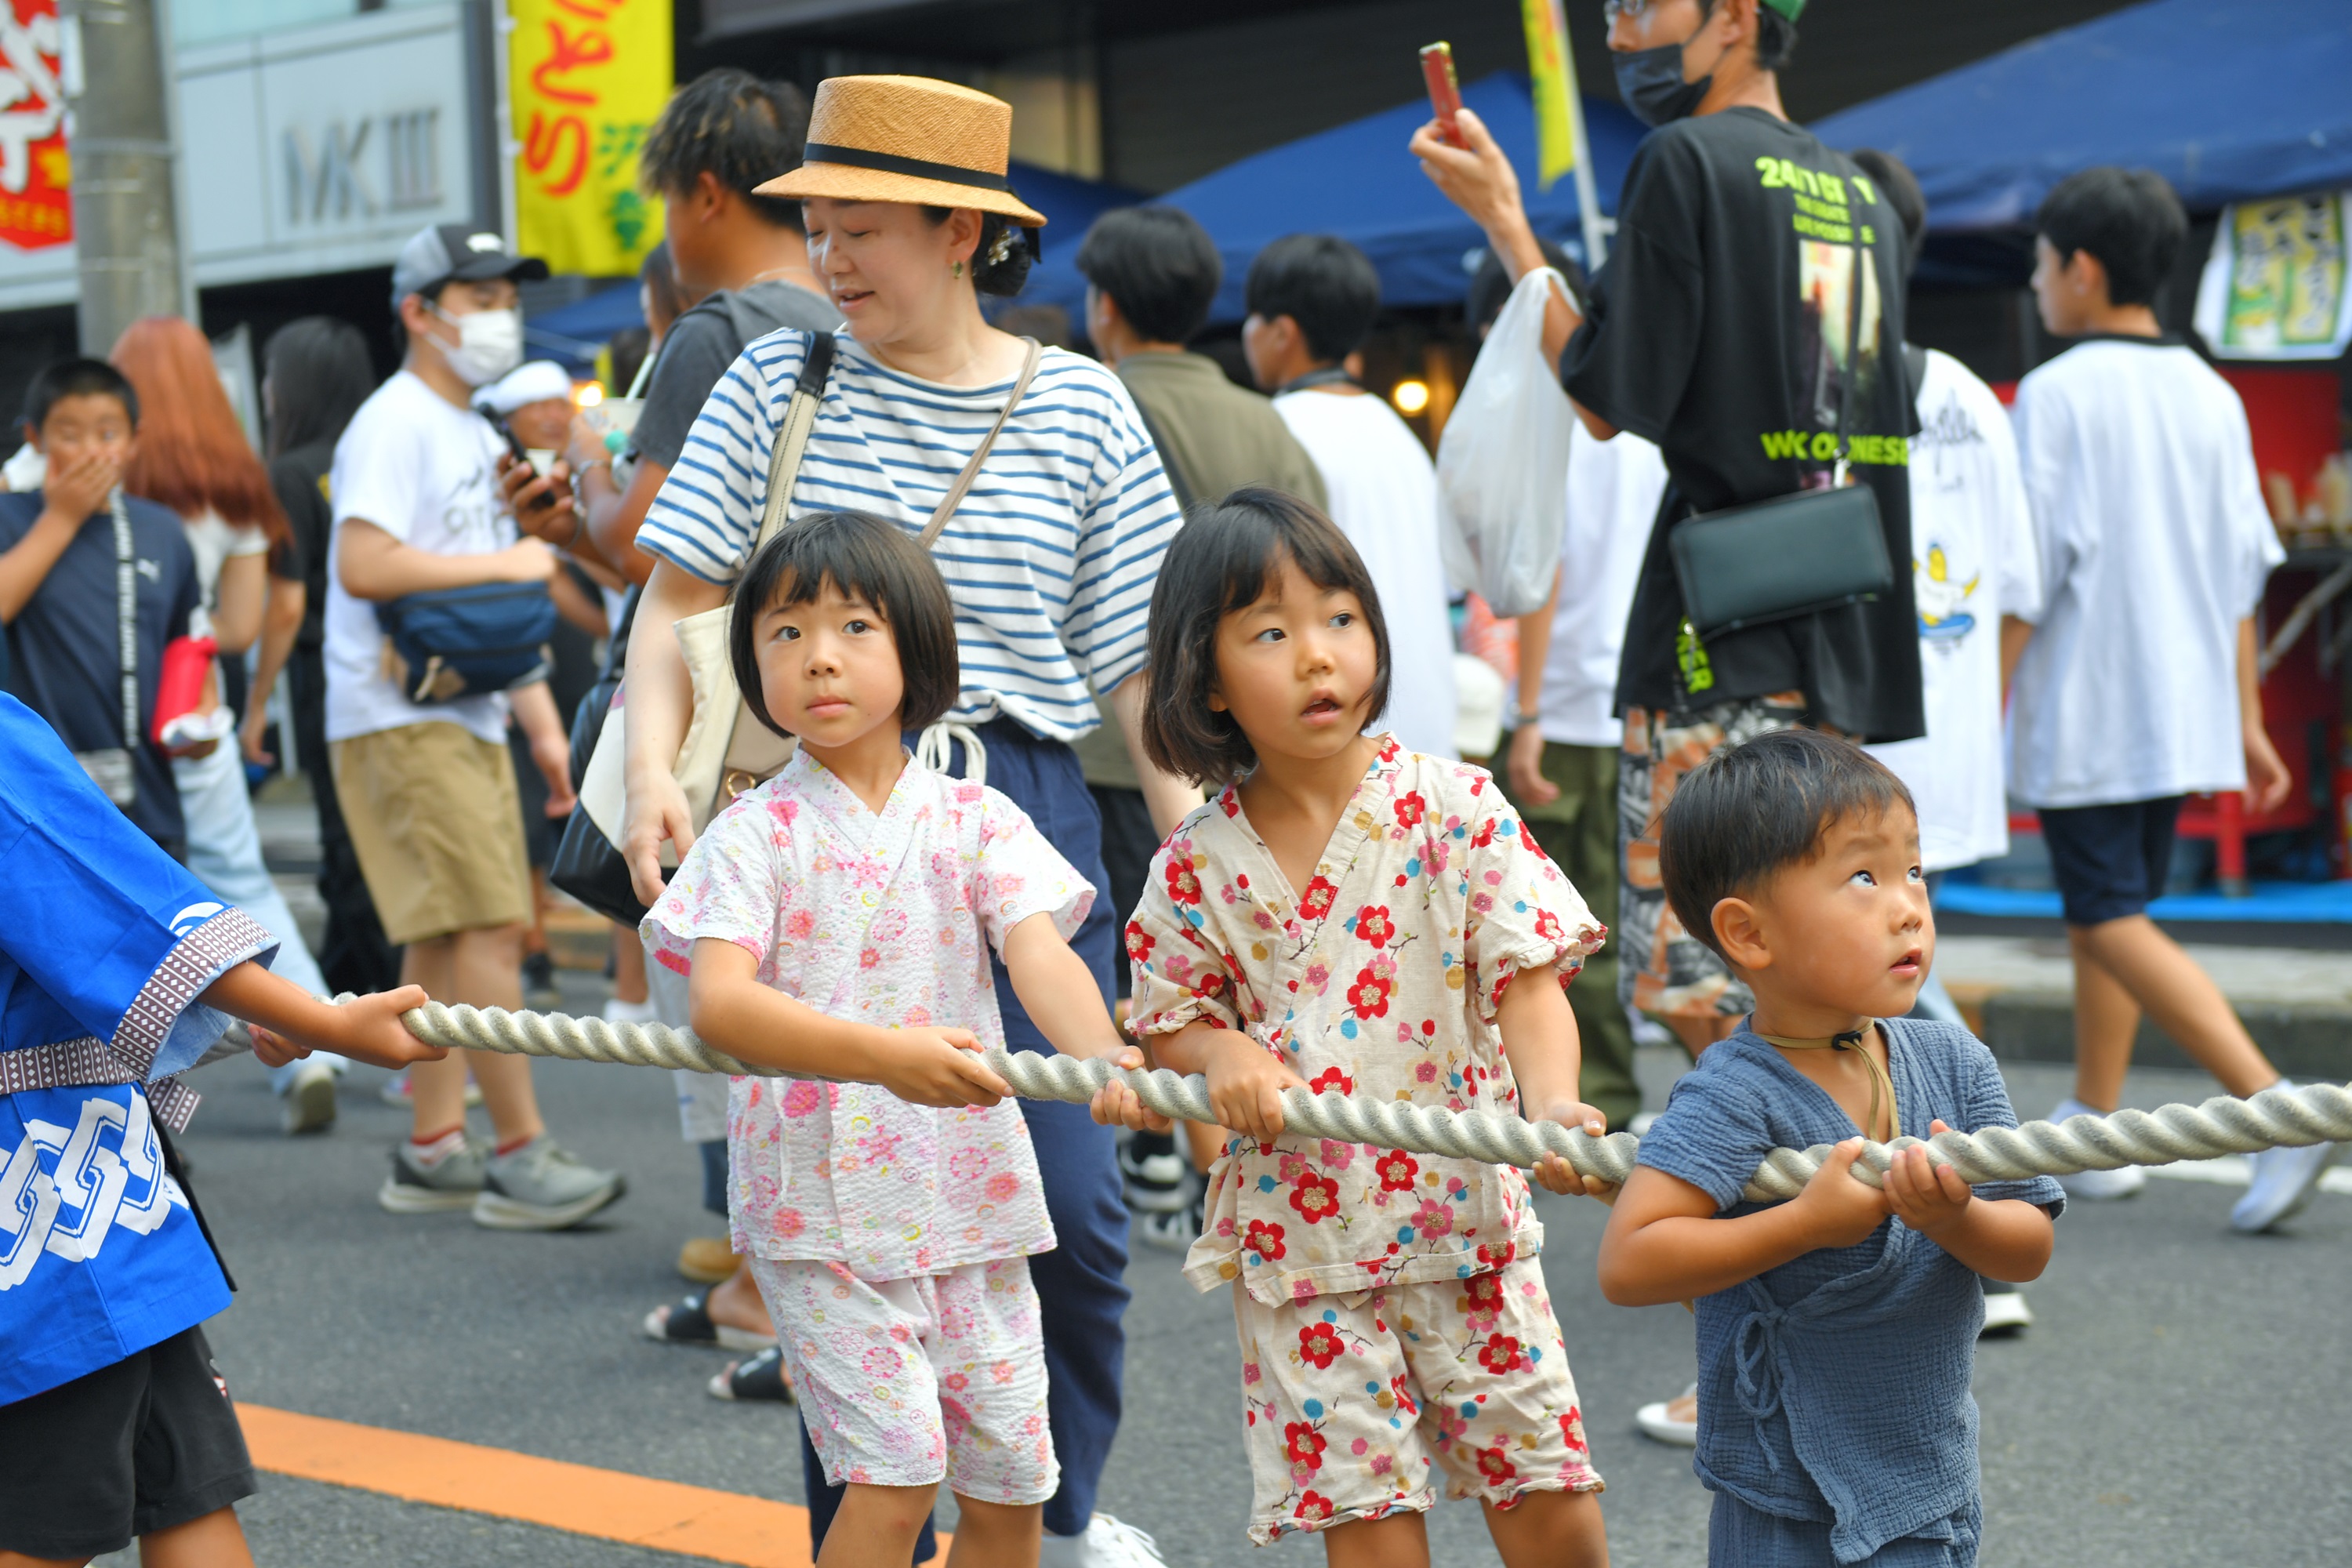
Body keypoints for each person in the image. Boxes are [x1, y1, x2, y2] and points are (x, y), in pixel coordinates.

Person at [622, 75, 1189, 1568]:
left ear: (962, 231)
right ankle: (875, 1526)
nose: (831, 256)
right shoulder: (775, 381)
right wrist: (650, 776)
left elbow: (1142, 677)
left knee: (1070, 1207)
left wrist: (1202, 864)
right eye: (817, 225)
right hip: (803, 816)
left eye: (862, 228)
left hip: (1013, 808)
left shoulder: (1079, 403)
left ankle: (1049, 1512)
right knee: (842, 1226)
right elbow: (674, 602)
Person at [644, 509, 1163, 1568]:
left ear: (918, 652)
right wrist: (887, 1054)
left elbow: (1041, 956)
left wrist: (1100, 1056)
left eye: (853, 628)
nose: (818, 656)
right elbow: (721, 1006)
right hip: (820, 1212)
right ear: (750, 663)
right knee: (894, 1476)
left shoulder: (977, 819)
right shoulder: (753, 833)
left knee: (1015, 1484)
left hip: (970, 1194)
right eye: (784, 634)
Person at [1123, 491, 1610, 1562]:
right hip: (1306, 1256)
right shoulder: (1193, 867)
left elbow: (1531, 979)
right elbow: (1171, 1026)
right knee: (1375, 1542)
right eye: (1271, 631)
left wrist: (1554, 1106)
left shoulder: (1454, 808)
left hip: (1468, 1231)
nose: (1316, 657)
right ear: (1205, 678)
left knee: (1555, 1516)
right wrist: (1223, 1050)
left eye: (1340, 619)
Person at [499, 66, 844, 1398]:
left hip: (724, 717)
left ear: (706, 193)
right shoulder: (853, 311)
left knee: (746, 1006)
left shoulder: (715, 330)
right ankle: (772, 1286)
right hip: (842, 696)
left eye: (668, 202)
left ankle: (775, 1293)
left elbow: (654, 543)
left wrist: (572, 506)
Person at [0, 688, 446, 1566]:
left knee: (182, 1480)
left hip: (76, 1196)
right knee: (45, 1513)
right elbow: (106, 904)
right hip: (51, 1215)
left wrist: (258, 1019)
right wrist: (321, 1024)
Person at [1599, 729, 2062, 1566]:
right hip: (1781, 1501)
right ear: (1749, 934)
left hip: (1929, 1481)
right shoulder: (1734, 1088)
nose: (1908, 903)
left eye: (1914, 869)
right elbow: (1631, 1261)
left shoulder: (1956, 1062)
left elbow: (2027, 1248)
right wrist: (1803, 1223)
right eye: (1864, 875)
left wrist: (1956, 1219)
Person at [2006, 167, 2336, 1234]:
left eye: (2044, 261)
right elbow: (2245, 567)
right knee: (2109, 912)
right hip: (2176, 706)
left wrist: (1986, 701)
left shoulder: (2057, 393)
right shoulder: (2211, 388)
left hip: (2093, 704)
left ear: (2083, 269)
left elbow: (2028, 575)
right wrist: (2240, 716)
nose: (2037, 280)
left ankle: (2276, 1109)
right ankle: (2097, 1122)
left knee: (2106, 912)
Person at [326, 221, 622, 1231]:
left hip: (455, 704)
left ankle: (434, 1144)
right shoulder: (396, 420)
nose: (499, 314)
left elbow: (488, 611)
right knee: (493, 922)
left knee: (446, 930)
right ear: (419, 311)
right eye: (477, 295)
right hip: (400, 709)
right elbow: (363, 563)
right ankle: (520, 1152)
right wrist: (508, 566)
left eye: (506, 296)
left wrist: (538, 720)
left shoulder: (468, 422)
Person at [1073, 201, 1330, 1244]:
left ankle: (1165, 1160)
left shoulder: (1088, 402)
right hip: (1246, 734)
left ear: (1106, 306)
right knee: (1227, 944)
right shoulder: (1265, 420)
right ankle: (1229, 1170)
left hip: (1113, 731)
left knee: (1135, 954)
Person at [1831, 151, 2042, 1340]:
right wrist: (1982, 721)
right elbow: (2010, 588)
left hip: (1859, 738)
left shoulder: (1823, 385)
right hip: (1947, 725)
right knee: (1896, 966)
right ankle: (1944, 1206)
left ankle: (1977, 1207)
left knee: (1887, 981)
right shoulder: (1965, 386)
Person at [111, 315, 347, 1137]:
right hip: (195, 712)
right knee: (242, 883)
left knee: (111, 891)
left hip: (101, 719)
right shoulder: (234, 482)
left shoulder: (94, 469)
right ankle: (315, 1043)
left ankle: (125, 1084)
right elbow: (242, 628)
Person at [1471, 244, 1662, 1137]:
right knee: (1624, 912)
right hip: (1646, 696)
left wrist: (1530, 712)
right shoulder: (1649, 410)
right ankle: (1609, 1098)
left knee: (1553, 920)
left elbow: (1539, 572)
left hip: (1573, 701)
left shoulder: (1556, 420)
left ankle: (1583, 1100)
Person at [1240, 234, 1457, 762]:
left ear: (1282, 332)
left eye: (1252, 319)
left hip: (1339, 731)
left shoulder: (1279, 431)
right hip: (1425, 720)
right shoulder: (1397, 431)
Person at [244, 318, 401, 1006]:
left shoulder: (290, 472)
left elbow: (285, 607)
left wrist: (257, 706)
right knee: (384, 835)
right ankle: (331, 995)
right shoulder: (377, 454)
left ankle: (382, 1000)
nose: (268, 390)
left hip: (326, 677)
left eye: (274, 375)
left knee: (346, 842)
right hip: (402, 666)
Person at [0, 359, 204, 854]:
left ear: (135, 440)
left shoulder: (162, 529)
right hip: (31, 803)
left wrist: (203, 716)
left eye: (108, 434)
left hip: (145, 801)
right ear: (36, 439)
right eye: (69, 434)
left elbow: (190, 639)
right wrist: (63, 517)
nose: (91, 451)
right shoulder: (9, 517)